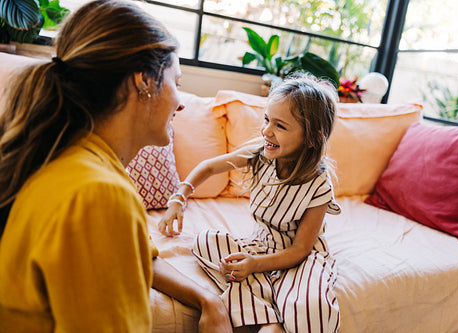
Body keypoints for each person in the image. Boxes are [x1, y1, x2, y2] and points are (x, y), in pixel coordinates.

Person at [0, 1, 231, 332]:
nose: (181, 102)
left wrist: (208, 299)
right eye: (176, 81)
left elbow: (139, 257)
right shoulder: (100, 195)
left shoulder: (70, 160)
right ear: (144, 81)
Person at [158, 74, 342, 333]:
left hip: (300, 257)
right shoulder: (261, 153)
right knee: (207, 241)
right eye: (267, 119)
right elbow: (209, 167)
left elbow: (300, 249)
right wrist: (179, 198)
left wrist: (254, 266)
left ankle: (273, 301)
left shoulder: (319, 184)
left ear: (312, 138)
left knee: (310, 307)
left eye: (280, 126)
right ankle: (269, 320)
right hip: (261, 246)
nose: (267, 131)